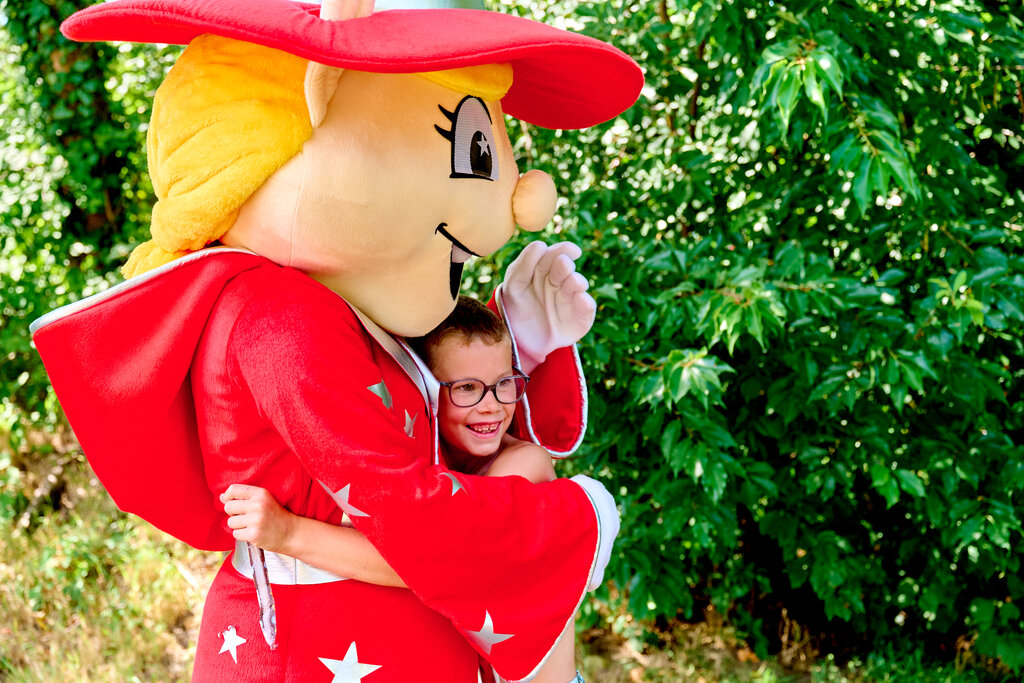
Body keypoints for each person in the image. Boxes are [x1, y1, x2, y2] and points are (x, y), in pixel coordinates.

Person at [221, 296, 581, 683]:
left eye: (504, 384)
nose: (492, 406)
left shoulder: (523, 465)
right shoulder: (433, 459)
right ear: (424, 388)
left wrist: (287, 533)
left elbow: (439, 560)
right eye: (468, 388)